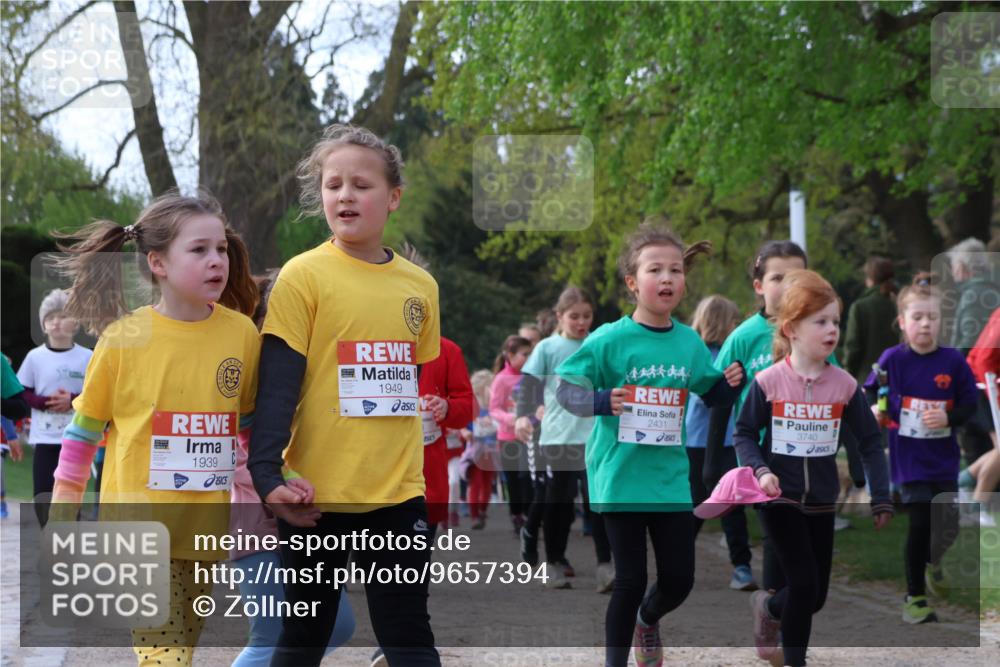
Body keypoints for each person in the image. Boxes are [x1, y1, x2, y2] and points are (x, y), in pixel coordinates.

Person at [247, 124, 441, 667]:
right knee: (304, 639)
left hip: (398, 494)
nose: (346, 195)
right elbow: (279, 388)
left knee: (409, 635)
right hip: (315, 497)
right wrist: (268, 478)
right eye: (334, 185)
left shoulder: (420, 287)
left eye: (362, 184)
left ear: (393, 197)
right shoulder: (302, 276)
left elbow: (408, 382)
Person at [49, 191, 261, 667]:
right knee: (164, 657)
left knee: (180, 649)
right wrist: (63, 517)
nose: (216, 261)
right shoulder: (122, 338)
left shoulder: (242, 335)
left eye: (221, 249)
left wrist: (268, 497)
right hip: (137, 532)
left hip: (205, 532)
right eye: (199, 250)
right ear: (158, 263)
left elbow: (244, 431)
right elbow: (83, 435)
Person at [556, 224, 744, 667]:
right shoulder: (608, 339)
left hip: (670, 480)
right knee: (629, 579)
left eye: (675, 270)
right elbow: (566, 390)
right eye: (654, 269)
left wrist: (730, 384)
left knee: (679, 579)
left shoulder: (688, 341)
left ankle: (648, 618)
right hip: (619, 477)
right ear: (632, 283)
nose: (666, 278)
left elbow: (711, 393)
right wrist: (601, 400)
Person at [734, 269, 893, 667]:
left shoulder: (844, 386)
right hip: (778, 497)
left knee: (815, 596)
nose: (832, 329)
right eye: (820, 321)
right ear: (791, 328)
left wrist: (880, 496)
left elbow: (871, 442)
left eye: (836, 321)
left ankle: (769, 610)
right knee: (804, 584)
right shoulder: (768, 382)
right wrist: (760, 471)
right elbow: (745, 434)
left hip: (822, 500)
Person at [229, 271, 354, 667]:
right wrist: (283, 479)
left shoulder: (314, 366)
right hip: (257, 525)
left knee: (336, 625)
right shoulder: (249, 363)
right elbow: (234, 450)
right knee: (270, 637)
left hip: (306, 523)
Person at [864, 274, 979, 622]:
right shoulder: (892, 359)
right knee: (918, 521)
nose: (925, 324)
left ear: (942, 321)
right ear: (902, 322)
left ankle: (934, 562)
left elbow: (969, 406)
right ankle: (914, 598)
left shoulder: (953, 362)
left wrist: (947, 419)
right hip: (909, 459)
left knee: (949, 523)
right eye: (917, 317)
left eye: (932, 317)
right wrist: (875, 408)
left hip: (943, 458)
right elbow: (871, 390)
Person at [515, 286, 613, 592]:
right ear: (560, 316)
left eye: (587, 316)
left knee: (597, 500)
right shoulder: (547, 348)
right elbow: (529, 386)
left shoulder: (597, 343)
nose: (582, 322)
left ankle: (605, 565)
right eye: (575, 317)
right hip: (558, 435)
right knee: (559, 501)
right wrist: (523, 415)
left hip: (595, 434)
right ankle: (554, 561)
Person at [684, 295, 757, 591]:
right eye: (733, 320)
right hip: (700, 443)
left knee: (732, 505)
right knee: (698, 503)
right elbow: (700, 397)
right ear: (720, 322)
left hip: (730, 442)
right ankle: (675, 557)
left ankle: (742, 566)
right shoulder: (700, 356)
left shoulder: (733, 356)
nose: (736, 325)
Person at [16, 288, 93, 526]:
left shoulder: (87, 357)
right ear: (43, 324)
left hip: (76, 439)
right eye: (50, 318)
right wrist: (42, 402)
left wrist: (71, 399)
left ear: (77, 322)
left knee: (70, 496)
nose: (56, 322)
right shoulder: (34, 357)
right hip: (44, 438)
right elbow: (22, 391)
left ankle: (69, 546)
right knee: (43, 494)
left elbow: (96, 393)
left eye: (63, 316)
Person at [490, 334, 534, 534]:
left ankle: (529, 517)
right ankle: (516, 515)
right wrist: (513, 418)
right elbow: (494, 409)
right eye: (525, 354)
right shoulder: (501, 379)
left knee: (528, 478)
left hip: (529, 436)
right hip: (508, 438)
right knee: (514, 480)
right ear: (510, 355)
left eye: (530, 353)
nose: (529, 357)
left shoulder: (531, 376)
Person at [961, 306, 1000, 525]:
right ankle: (976, 506)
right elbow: (983, 359)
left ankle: (963, 482)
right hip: (982, 387)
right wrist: (996, 397)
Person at [844, 256, 898, 385]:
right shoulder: (901, 303)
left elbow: (853, 347)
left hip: (867, 378)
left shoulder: (860, 306)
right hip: (899, 376)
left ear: (869, 279)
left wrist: (847, 374)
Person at [461, 370, 500, 530]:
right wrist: (466, 432)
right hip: (476, 450)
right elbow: (462, 424)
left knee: (485, 484)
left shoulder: (495, 407)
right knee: (477, 484)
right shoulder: (471, 406)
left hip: (491, 450)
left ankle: (480, 512)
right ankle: (476, 516)